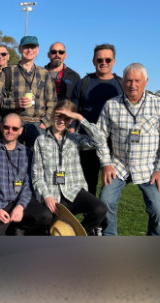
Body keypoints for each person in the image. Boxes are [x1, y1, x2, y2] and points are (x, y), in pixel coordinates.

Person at [97, 63, 160, 236]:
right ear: (123, 82)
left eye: (137, 81)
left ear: (146, 81)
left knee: (159, 212)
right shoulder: (111, 105)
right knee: (105, 202)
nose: (133, 85)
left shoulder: (158, 105)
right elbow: (100, 137)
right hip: (119, 164)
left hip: (149, 166)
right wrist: (106, 164)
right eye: (129, 80)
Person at [32, 99, 108, 236]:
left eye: (67, 118)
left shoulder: (75, 139)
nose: (62, 121)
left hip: (73, 191)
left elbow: (100, 141)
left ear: (71, 120)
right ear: (52, 116)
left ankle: (78, 234)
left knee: (100, 209)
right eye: (59, 116)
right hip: (52, 195)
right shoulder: (40, 141)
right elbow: (36, 175)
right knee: (45, 223)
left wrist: (80, 118)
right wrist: (47, 196)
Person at [0, 113, 53, 236]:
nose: (10, 131)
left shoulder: (27, 153)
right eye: (7, 127)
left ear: (21, 131)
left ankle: (20, 226)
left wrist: (20, 206)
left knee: (44, 216)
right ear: (2, 127)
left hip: (20, 200)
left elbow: (28, 183)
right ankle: (9, 224)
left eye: (15, 128)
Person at [70, 43, 123, 196]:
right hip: (88, 141)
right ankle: (91, 217)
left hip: (114, 143)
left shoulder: (121, 85)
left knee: (110, 186)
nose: (103, 63)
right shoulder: (84, 83)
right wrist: (72, 135)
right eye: (100, 60)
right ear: (93, 61)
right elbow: (73, 111)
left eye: (107, 60)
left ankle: (105, 216)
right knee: (88, 183)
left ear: (113, 61)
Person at [0, 35, 56, 148]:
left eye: (32, 47)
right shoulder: (8, 72)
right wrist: (15, 103)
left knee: (37, 163)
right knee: (12, 161)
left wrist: (45, 123)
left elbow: (52, 102)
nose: (29, 50)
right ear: (20, 49)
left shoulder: (44, 74)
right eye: (26, 47)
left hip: (38, 124)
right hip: (15, 125)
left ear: (37, 50)